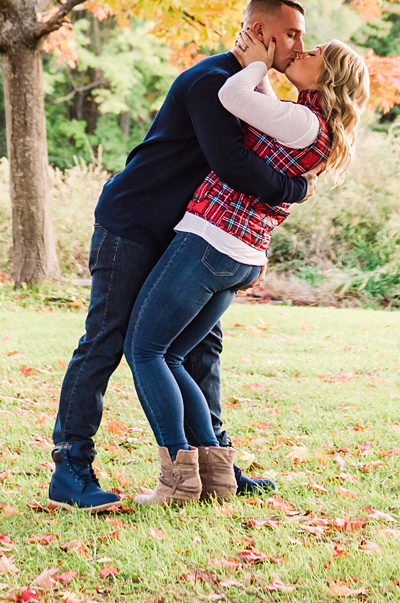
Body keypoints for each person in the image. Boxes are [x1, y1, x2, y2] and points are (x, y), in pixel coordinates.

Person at [47, 0, 318, 512]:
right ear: (260, 33)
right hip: (133, 223)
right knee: (106, 342)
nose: (298, 45)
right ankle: (71, 470)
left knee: (201, 348)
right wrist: (295, 192)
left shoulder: (249, 87)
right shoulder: (210, 83)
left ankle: (217, 466)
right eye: (290, 34)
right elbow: (234, 166)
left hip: (185, 236)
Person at [121, 26, 370, 506]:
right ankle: (215, 476)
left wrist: (255, 61)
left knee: (146, 350)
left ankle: (176, 481)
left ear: (328, 76)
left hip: (212, 241)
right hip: (240, 255)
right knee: (172, 358)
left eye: (315, 52)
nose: (304, 49)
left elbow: (232, 93)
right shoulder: (311, 124)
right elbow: (262, 109)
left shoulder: (304, 123)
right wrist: (265, 71)